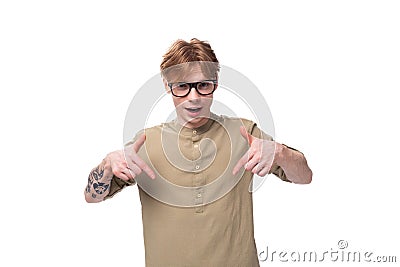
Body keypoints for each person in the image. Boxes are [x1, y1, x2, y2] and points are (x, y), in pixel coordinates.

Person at [84, 38, 312, 267]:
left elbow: (304, 177)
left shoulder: (245, 133)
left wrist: (281, 153)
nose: (194, 98)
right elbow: (92, 197)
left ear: (216, 82)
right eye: (182, 86)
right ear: (166, 85)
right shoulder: (145, 143)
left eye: (203, 85)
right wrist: (106, 164)